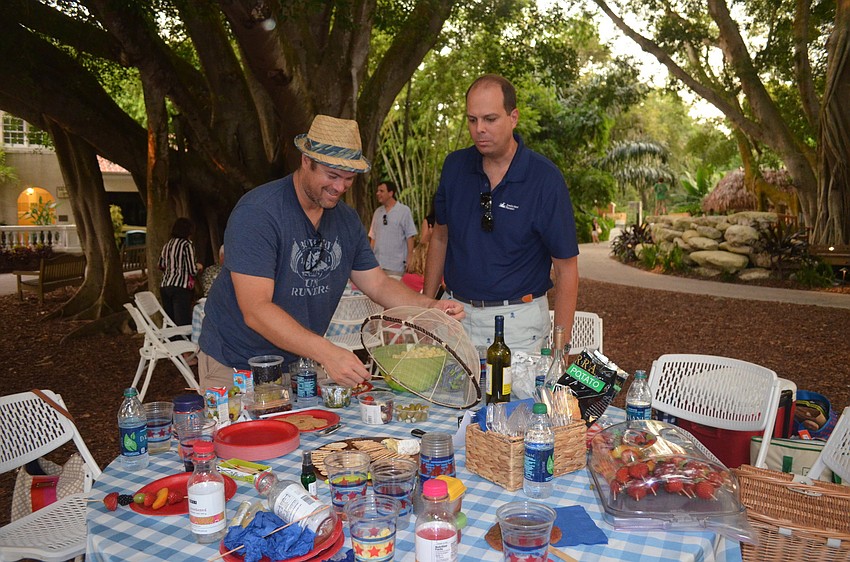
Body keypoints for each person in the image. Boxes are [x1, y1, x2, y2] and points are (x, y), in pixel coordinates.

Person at [198, 115, 464, 390]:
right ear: (305, 161)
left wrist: (430, 307)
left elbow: (378, 283)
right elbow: (256, 309)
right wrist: (326, 352)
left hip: (298, 363)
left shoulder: (346, 221)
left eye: (349, 178)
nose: (339, 187)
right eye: (332, 175)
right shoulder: (259, 213)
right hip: (236, 363)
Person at [424, 74, 579, 358]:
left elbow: (567, 269)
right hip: (455, 316)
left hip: (519, 325)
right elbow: (440, 238)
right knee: (445, 403)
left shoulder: (545, 179)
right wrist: (426, 308)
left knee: (518, 404)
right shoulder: (455, 167)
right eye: (472, 120)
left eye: (490, 119)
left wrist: (561, 348)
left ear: (513, 117)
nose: (479, 129)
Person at [159, 217, 202, 328]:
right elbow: (192, 270)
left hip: (165, 286)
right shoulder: (187, 245)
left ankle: (172, 343)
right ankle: (184, 344)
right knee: (182, 321)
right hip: (180, 286)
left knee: (170, 320)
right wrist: (199, 267)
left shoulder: (167, 245)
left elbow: (161, 265)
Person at [368, 181, 417, 277]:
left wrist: (410, 257)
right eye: (377, 191)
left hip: (396, 266)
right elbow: (373, 237)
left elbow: (410, 236)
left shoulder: (404, 211)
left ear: (390, 193)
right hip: (378, 265)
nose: (378, 193)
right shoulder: (378, 212)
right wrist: (369, 258)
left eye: (381, 191)